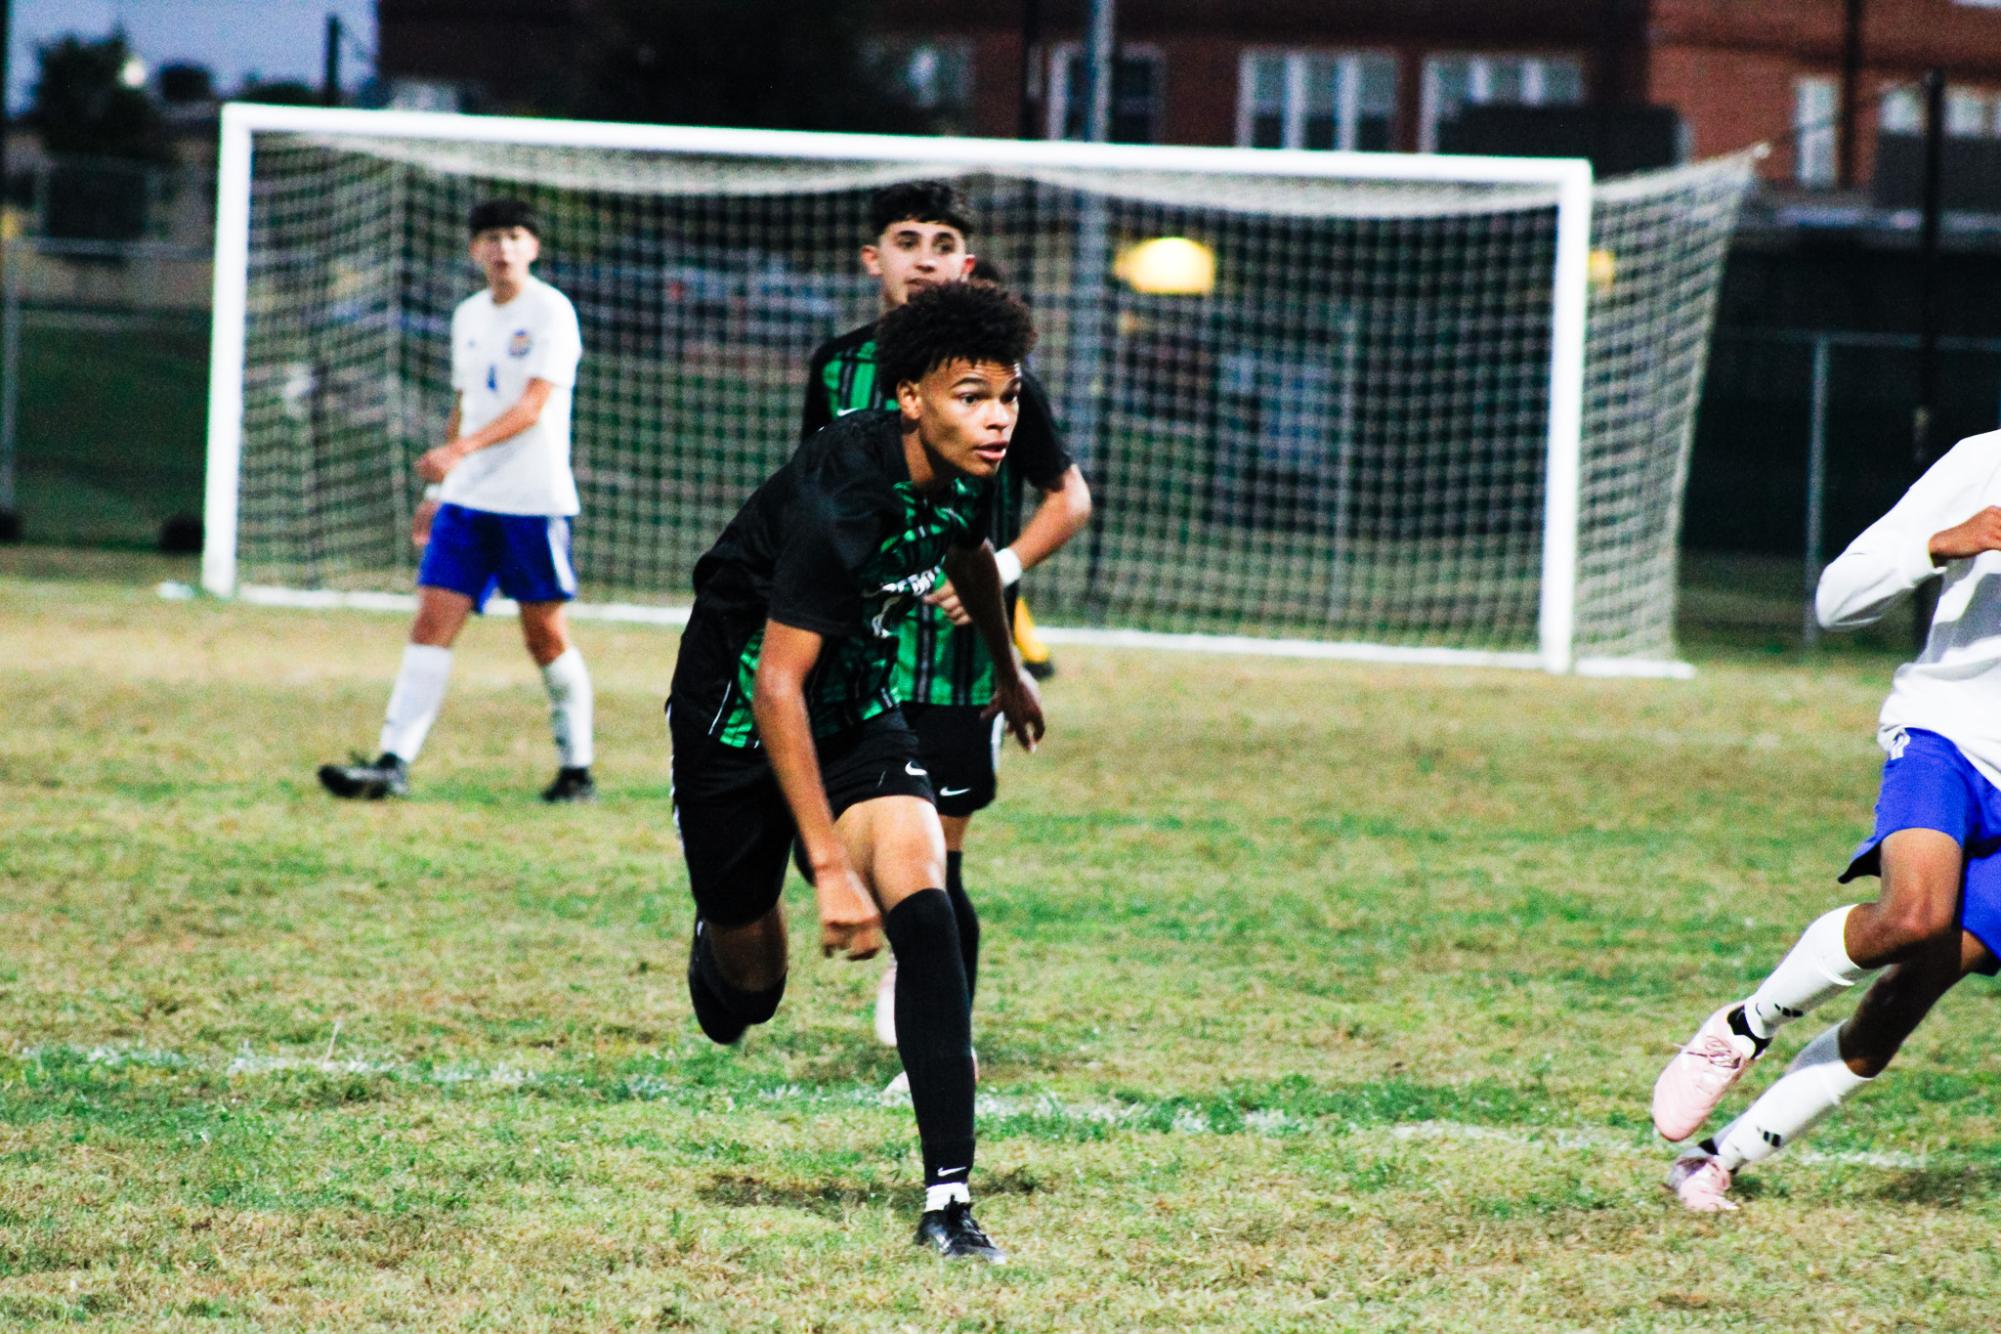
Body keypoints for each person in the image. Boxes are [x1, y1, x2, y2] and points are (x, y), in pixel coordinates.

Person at [669, 281, 1044, 1261]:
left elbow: (971, 556)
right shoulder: (848, 487)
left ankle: (949, 1201)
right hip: (737, 708)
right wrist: (830, 867)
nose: (997, 416)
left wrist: (1009, 673)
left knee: (924, 905)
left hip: (852, 703)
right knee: (745, 996)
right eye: (972, 395)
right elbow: (777, 687)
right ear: (911, 396)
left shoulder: (976, 466)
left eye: (1006, 393)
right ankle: (719, 922)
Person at [1651, 430, 2001, 1211]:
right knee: (1913, 915)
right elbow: (1836, 599)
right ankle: (1745, 1024)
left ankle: (1715, 1160)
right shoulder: (1985, 460)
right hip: (1946, 737)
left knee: (1905, 997)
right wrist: (1941, 543)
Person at [802, 181, 1091, 1062]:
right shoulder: (835, 368)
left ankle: (937, 1029)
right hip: (856, 650)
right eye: (905, 240)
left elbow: (1067, 497)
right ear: (873, 259)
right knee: (853, 846)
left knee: (936, 861)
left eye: (940, 242)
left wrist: (997, 570)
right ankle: (903, 950)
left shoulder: (1003, 381)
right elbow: (813, 498)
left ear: (964, 263)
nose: (923, 257)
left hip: (956, 662)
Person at [318, 198, 596, 804]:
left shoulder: (552, 312)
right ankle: (392, 764)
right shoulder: (469, 315)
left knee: (544, 635)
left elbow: (531, 409)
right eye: (491, 237)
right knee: (430, 622)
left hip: (531, 500)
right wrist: (439, 488)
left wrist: (457, 452)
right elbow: (465, 404)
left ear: (534, 247)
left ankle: (577, 769)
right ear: (474, 250)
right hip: (468, 500)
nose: (502, 248)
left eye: (515, 236)